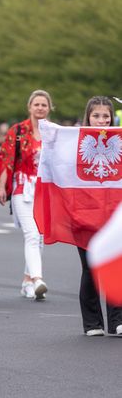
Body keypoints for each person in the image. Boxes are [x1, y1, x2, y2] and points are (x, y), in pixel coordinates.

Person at [0, 90, 53, 300]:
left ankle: (28, 281)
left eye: (44, 105)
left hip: (44, 189)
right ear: (29, 107)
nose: (40, 108)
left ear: (49, 108)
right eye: (36, 104)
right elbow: (6, 159)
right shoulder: (18, 130)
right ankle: (38, 279)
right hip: (22, 187)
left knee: (41, 237)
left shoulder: (53, 132)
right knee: (32, 234)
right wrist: (2, 186)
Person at [75, 96, 122, 336]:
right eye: (96, 116)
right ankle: (92, 323)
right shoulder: (73, 142)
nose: (102, 121)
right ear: (88, 117)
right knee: (90, 267)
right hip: (85, 213)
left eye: (106, 116)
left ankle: (118, 320)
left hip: (114, 214)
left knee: (117, 263)